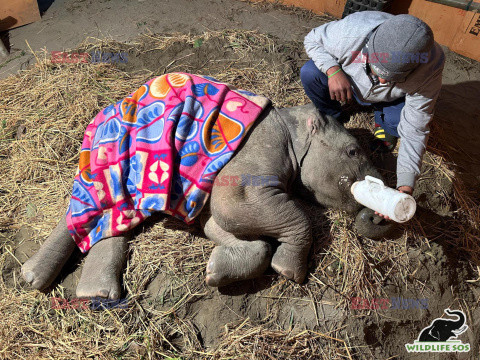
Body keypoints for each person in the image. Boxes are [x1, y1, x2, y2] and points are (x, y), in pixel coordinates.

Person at [300, 11, 445, 197]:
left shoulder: (429, 67)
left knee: (399, 122)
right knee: (310, 73)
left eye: (393, 78)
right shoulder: (351, 32)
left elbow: (416, 127)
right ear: (368, 48)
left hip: (392, 99)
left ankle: (383, 117)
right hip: (348, 81)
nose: (383, 82)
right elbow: (312, 40)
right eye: (377, 72)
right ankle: (334, 116)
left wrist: (406, 185)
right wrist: (333, 70)